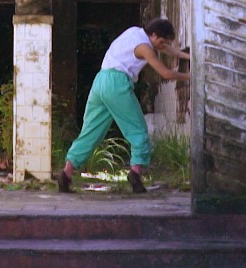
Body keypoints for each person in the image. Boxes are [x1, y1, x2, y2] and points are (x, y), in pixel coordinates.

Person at [57, 18, 191, 194]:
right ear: (154, 34)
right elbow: (165, 73)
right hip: (117, 83)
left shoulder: (135, 32)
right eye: (161, 40)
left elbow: (165, 48)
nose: (163, 45)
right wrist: (190, 76)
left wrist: (188, 56)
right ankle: (135, 174)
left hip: (101, 81)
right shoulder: (145, 48)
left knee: (91, 131)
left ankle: (66, 173)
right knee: (138, 129)